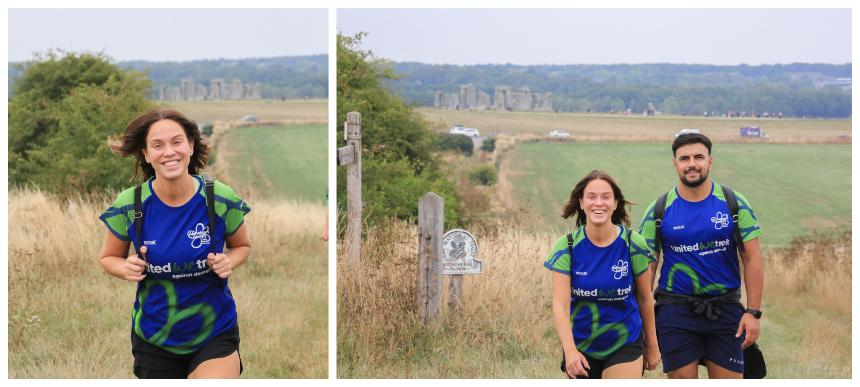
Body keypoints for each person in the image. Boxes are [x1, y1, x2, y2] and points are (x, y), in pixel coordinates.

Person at [98, 108, 251, 378]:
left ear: (191, 146)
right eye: (157, 145)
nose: (169, 152)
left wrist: (230, 261)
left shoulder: (220, 198)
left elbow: (242, 246)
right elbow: (108, 258)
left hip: (215, 331)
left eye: (177, 142)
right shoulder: (129, 205)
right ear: (146, 154)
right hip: (155, 337)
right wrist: (125, 268)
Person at [638, 133, 763, 379]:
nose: (692, 163)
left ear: (710, 161)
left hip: (725, 309)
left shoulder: (734, 203)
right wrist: (643, 321)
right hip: (675, 311)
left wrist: (753, 312)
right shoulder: (658, 209)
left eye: (699, 157)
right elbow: (646, 269)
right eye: (684, 158)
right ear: (675, 163)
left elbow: (752, 259)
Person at [544, 170, 660, 379]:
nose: (599, 203)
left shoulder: (633, 243)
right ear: (581, 203)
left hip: (626, 342)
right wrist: (570, 351)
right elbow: (560, 304)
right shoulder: (566, 247)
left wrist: (652, 345)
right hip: (582, 346)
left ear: (615, 203)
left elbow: (645, 298)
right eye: (592, 197)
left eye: (606, 197)